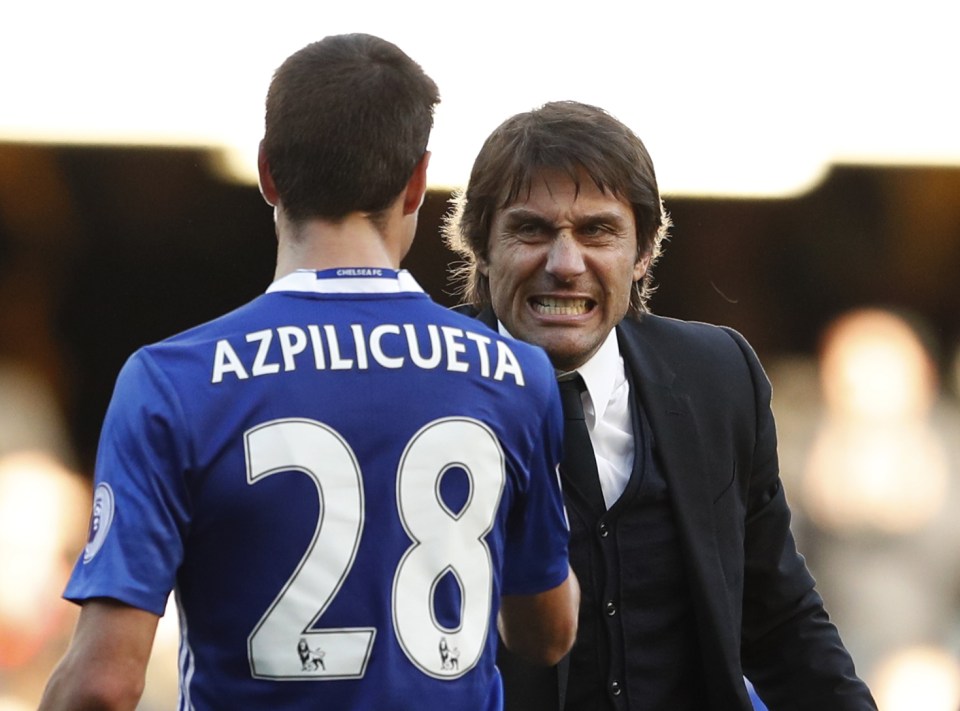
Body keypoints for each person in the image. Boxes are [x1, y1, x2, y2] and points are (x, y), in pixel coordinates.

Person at [38, 34, 578, 711]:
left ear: (268, 173)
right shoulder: (514, 375)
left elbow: (102, 684)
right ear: (417, 182)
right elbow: (548, 631)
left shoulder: (171, 382)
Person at [443, 100, 877, 711]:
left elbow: (779, 618)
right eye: (531, 230)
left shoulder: (717, 376)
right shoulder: (424, 384)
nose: (565, 265)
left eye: (597, 230)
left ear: (644, 251)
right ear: (482, 248)